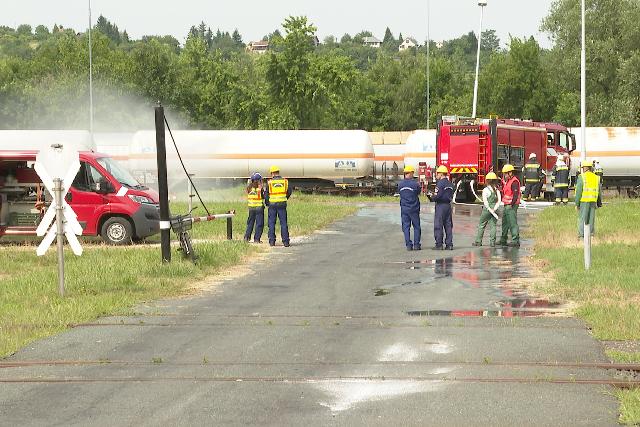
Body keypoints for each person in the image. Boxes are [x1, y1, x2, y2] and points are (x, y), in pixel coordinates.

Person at [265, 166, 293, 247]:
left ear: (272, 173)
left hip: (272, 205)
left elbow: (266, 195)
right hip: (282, 204)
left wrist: (268, 203)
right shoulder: (285, 181)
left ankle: (272, 241)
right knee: (283, 223)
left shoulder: (269, 182)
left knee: (271, 223)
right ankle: (286, 242)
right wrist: (284, 198)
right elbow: (289, 191)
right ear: (278, 172)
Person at [575, 160, 602, 239]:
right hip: (593, 201)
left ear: (584, 168)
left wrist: (577, 204)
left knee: (583, 218)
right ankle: (591, 235)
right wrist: (599, 203)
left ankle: (581, 236)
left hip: (584, 201)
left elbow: (579, 191)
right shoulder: (596, 177)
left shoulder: (582, 177)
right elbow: (599, 191)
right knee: (591, 219)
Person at [473, 172, 501, 247]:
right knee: (493, 226)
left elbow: (485, 202)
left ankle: (478, 241)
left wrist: (489, 209)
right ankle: (492, 242)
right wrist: (494, 209)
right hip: (494, 209)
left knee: (482, 224)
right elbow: (499, 201)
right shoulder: (497, 190)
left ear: (487, 180)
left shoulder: (485, 190)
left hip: (487, 210)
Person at [430, 165, 454, 250]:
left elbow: (438, 195)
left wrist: (431, 197)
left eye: (437, 173)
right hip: (448, 206)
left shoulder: (440, 183)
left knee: (438, 225)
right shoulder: (450, 183)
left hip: (440, 206)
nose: (437, 175)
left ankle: (439, 244)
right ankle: (449, 244)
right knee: (448, 225)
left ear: (440, 174)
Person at [398, 165, 421, 251]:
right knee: (416, 227)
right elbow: (418, 192)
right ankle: (416, 245)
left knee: (406, 227)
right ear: (410, 173)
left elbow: (400, 193)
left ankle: (408, 245)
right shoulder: (415, 184)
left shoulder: (400, 184)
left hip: (404, 209)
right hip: (414, 208)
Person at [499, 164, 521, 248]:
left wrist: (512, 204)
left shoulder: (514, 182)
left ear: (510, 173)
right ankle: (503, 239)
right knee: (505, 223)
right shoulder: (507, 181)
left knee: (512, 223)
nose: (504, 175)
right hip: (506, 205)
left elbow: (515, 194)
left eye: (505, 173)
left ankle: (515, 240)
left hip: (511, 205)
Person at [243, 172, 265, 243]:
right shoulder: (259, 189)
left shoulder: (248, 188)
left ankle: (246, 237)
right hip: (259, 208)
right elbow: (263, 197)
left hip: (251, 208)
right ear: (259, 180)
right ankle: (257, 239)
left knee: (250, 223)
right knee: (259, 224)